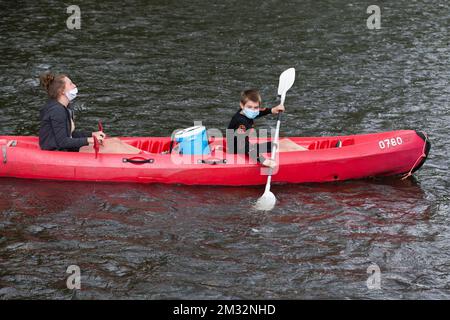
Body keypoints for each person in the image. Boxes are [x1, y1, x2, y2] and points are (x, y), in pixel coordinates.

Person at [39, 72, 141, 154]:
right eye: (70, 84)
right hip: (58, 151)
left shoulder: (63, 107)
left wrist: (92, 134)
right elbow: (63, 142)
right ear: (61, 91)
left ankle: (149, 156)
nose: (74, 85)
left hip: (66, 147)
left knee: (115, 141)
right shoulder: (57, 110)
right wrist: (89, 140)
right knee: (115, 147)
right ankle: (150, 160)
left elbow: (69, 134)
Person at [227, 89, 307, 167]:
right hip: (239, 150)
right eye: (250, 107)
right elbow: (243, 146)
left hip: (245, 145)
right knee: (286, 148)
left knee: (285, 142)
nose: (253, 110)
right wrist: (263, 160)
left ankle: (309, 152)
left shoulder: (244, 112)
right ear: (241, 105)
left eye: (256, 107)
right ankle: (310, 157)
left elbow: (259, 112)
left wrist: (271, 110)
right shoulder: (241, 122)